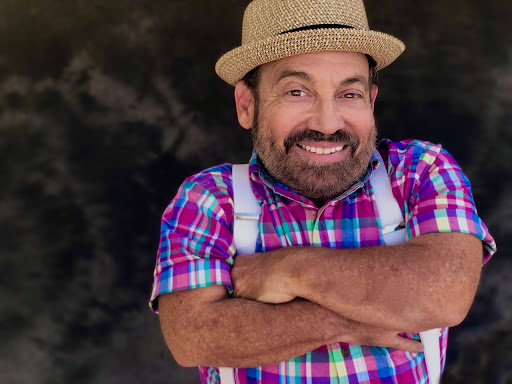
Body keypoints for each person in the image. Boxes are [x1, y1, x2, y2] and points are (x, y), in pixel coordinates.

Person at [149, 0, 496, 383]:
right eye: (297, 92)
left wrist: (286, 270)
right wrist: (349, 320)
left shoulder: (420, 170)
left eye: (349, 94)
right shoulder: (209, 198)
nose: (328, 124)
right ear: (247, 105)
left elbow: (444, 294)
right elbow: (192, 338)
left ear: (371, 100)